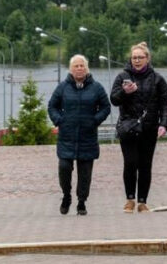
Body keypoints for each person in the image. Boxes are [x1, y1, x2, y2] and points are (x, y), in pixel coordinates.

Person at [110, 42, 167, 214]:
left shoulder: (158, 79)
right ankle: (130, 199)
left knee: (145, 165)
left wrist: (164, 123)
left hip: (149, 127)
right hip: (128, 127)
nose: (137, 60)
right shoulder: (122, 77)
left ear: (147, 59)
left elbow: (165, 103)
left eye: (140, 57)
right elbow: (114, 99)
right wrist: (125, 92)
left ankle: (143, 201)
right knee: (130, 163)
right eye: (134, 57)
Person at [47, 55, 111, 216]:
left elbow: (106, 107)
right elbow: (52, 106)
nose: (79, 68)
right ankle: (66, 196)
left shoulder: (96, 87)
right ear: (71, 69)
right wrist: (59, 120)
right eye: (76, 66)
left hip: (87, 136)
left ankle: (82, 201)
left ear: (87, 68)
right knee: (64, 168)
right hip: (66, 136)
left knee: (85, 173)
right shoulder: (62, 87)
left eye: (82, 65)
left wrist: (95, 120)